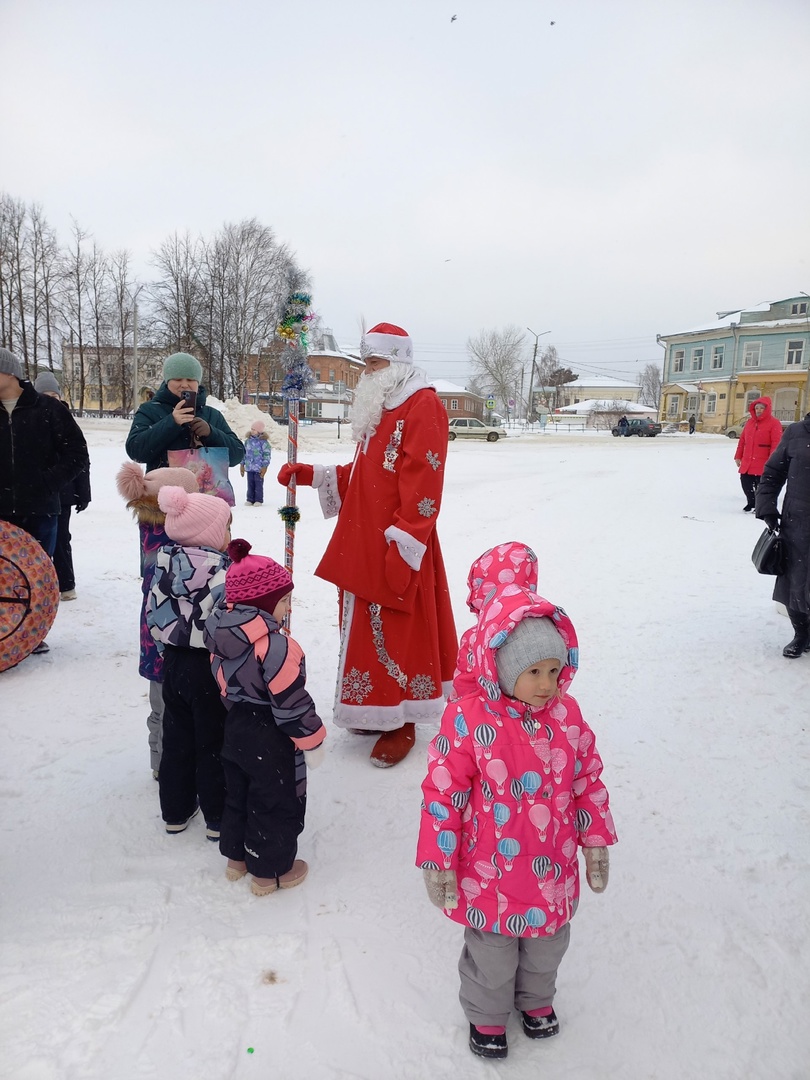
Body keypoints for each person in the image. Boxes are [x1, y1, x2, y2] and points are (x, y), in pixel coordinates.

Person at [417, 581, 616, 1060]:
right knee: (494, 951)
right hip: (492, 871)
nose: (547, 684)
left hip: (552, 867)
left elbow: (586, 780)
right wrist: (438, 859)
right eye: (533, 672)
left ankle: (536, 1001)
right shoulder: (468, 720)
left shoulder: (567, 717)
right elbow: (443, 792)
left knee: (547, 945)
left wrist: (595, 840)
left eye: (554, 670)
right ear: (503, 670)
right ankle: (486, 1013)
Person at [277, 322, 457, 768]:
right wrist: (316, 475)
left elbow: (424, 483)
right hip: (363, 542)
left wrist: (406, 543)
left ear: (397, 363)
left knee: (397, 631)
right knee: (363, 630)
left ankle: (401, 719)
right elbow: (369, 475)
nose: (366, 373)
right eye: (366, 365)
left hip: (396, 541)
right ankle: (373, 707)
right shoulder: (382, 405)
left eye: (373, 364)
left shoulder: (423, 405)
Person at [205, 539, 326, 896]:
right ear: (264, 603)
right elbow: (290, 701)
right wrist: (312, 739)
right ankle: (271, 871)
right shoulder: (276, 646)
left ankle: (236, 859)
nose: (288, 607)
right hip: (271, 733)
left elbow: (223, 682)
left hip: (236, 723)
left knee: (238, 790)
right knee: (273, 797)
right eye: (284, 600)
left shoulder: (220, 635)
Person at [146, 486, 232, 838]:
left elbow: (153, 615)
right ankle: (216, 816)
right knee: (213, 740)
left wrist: (166, 648)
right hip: (209, 667)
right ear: (210, 533)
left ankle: (175, 811)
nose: (229, 535)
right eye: (225, 528)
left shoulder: (161, 566)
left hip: (175, 664)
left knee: (177, 738)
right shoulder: (222, 573)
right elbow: (226, 623)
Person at [0, 347, 89, 653]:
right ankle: (6, 637)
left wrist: (48, 483)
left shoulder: (48, 410)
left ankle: (32, 635)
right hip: (1, 513)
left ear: (9, 373)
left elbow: (77, 454)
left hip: (41, 510)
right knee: (2, 577)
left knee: (35, 578)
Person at [116, 462, 200, 778]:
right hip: (176, 640)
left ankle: (160, 762)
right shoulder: (175, 540)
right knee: (173, 709)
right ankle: (169, 765)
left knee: (161, 707)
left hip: (154, 640)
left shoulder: (151, 531)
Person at [125, 352, 244, 474]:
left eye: (190, 379)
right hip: (163, 490)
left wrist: (211, 433)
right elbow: (136, 452)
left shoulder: (212, 415)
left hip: (205, 490)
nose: (184, 384)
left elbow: (237, 456)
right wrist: (171, 422)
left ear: (198, 383)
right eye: (178, 379)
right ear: (167, 381)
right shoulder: (149, 410)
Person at [453, 541, 539, 701]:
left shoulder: (474, 638)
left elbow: (464, 685)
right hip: (531, 718)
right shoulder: (539, 629)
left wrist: (458, 711)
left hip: (485, 717)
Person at [755, 415, 810, 658]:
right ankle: (801, 634)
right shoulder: (796, 432)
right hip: (797, 521)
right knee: (794, 581)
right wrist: (766, 507)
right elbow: (772, 473)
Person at [34, 371, 91, 600]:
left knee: (61, 538)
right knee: (37, 539)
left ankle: (66, 584)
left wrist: (83, 493)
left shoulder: (65, 419)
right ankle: (38, 585)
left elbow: (81, 460)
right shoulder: (30, 419)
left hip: (64, 493)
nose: (50, 398)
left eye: (54, 394)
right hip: (38, 493)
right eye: (45, 394)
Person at [733, 396, 784, 512]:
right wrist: (738, 456)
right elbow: (742, 441)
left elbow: (776, 443)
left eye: (762, 408)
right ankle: (751, 502)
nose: (759, 410)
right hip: (748, 461)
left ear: (767, 409)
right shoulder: (750, 423)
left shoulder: (774, 423)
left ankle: (759, 505)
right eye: (757, 408)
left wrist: (772, 460)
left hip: (763, 461)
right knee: (745, 482)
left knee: (761, 486)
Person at [241, 419, 272, 505]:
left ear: (259, 431)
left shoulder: (263, 442)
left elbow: (267, 454)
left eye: (254, 429)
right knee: (250, 484)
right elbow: (244, 453)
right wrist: (242, 464)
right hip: (249, 467)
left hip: (259, 468)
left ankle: (258, 499)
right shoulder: (248, 441)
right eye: (251, 429)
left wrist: (265, 466)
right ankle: (250, 499)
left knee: (258, 484)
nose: (252, 431)